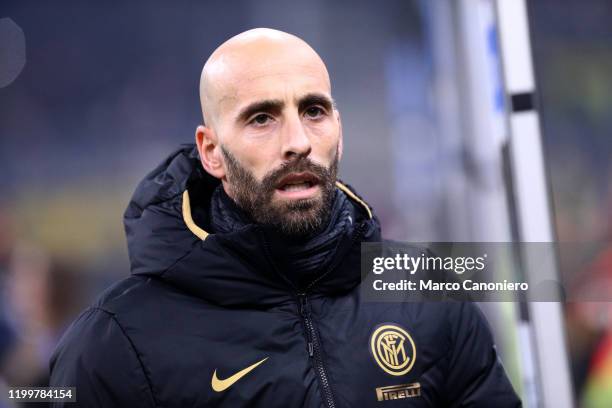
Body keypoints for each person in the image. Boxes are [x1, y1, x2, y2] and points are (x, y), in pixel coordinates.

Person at [49, 28, 521, 407]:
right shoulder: (115, 341)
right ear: (211, 151)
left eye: (314, 110)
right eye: (262, 118)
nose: (297, 140)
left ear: (340, 129)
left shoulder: (426, 293)